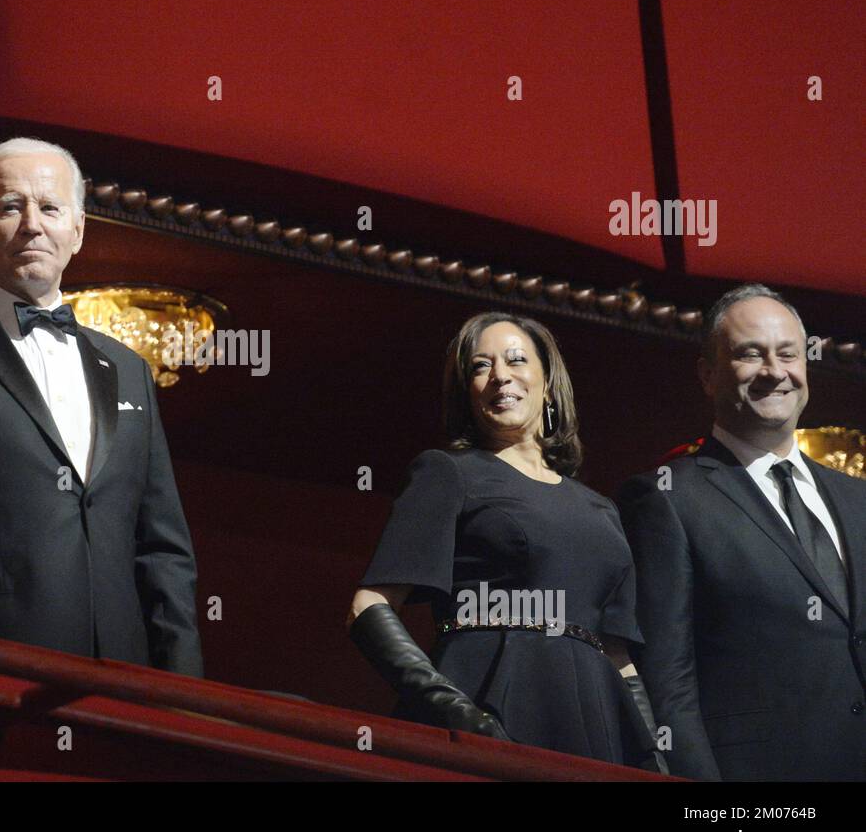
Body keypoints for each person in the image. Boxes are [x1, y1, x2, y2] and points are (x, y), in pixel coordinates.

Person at [0, 137, 202, 674]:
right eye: (11, 207)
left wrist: (188, 691)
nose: (32, 223)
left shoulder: (129, 369)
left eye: (50, 208)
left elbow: (163, 546)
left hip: (130, 683)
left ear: (77, 231)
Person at [348, 312, 663, 771]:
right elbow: (368, 605)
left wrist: (651, 757)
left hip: (595, 721)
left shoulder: (601, 508)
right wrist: (454, 711)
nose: (500, 375)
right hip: (490, 704)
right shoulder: (448, 473)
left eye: (516, 359)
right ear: (468, 393)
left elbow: (619, 655)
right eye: (480, 366)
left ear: (548, 383)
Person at [618, 284, 866, 780]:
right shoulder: (667, 498)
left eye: (788, 354)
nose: (775, 371)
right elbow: (668, 681)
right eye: (751, 354)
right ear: (708, 375)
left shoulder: (858, 498)